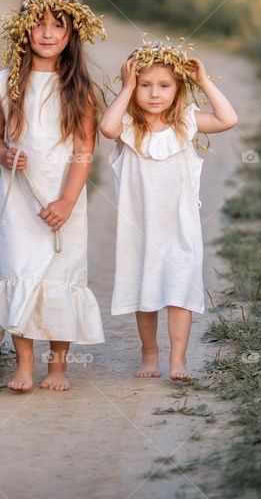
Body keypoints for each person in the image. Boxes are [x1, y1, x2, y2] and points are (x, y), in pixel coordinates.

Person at [0, 0, 107, 391]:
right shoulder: (3, 84)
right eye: (39, 25)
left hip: (63, 198)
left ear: (72, 35)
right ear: (23, 30)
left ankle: (57, 367)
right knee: (19, 269)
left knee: (60, 274)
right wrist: (3, 156)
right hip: (20, 198)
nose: (48, 34)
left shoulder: (81, 90)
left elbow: (85, 151)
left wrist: (68, 200)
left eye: (58, 26)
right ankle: (24, 363)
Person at [99, 41, 238, 381]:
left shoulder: (187, 122)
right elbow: (106, 128)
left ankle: (178, 359)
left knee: (179, 291)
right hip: (140, 229)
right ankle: (150, 354)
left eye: (164, 85)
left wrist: (203, 81)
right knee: (144, 293)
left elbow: (228, 118)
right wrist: (126, 86)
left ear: (178, 89)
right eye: (145, 85)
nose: (154, 93)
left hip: (180, 227)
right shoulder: (129, 125)